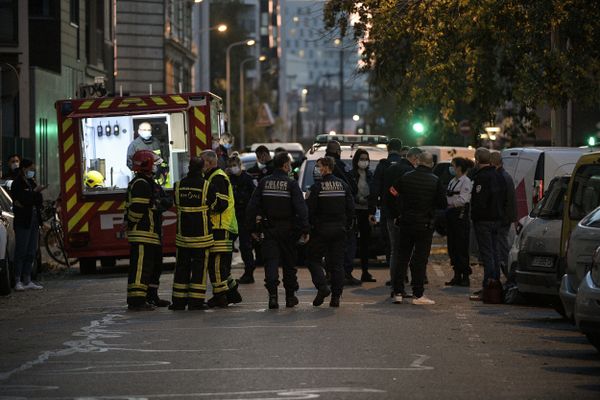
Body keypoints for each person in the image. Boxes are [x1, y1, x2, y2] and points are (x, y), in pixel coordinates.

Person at [246, 152, 310, 309]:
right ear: (285, 165)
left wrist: (251, 228)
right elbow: (301, 209)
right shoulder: (291, 184)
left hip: (269, 230)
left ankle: (273, 297)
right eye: (289, 164)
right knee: (289, 265)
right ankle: (289, 297)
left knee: (271, 263)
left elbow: (252, 206)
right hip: (288, 230)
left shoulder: (264, 182)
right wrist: (305, 229)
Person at [389, 152, 447, 305]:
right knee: (419, 260)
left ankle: (398, 292)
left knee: (402, 258)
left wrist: (398, 211)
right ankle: (418, 294)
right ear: (432, 164)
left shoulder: (406, 177)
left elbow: (392, 192)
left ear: (418, 161)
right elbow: (442, 203)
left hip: (406, 222)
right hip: (424, 225)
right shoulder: (435, 181)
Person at [124, 150, 173, 310]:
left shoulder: (150, 182)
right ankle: (136, 300)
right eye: (154, 164)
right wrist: (131, 222)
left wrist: (158, 203)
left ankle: (152, 296)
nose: (156, 168)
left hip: (153, 233)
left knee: (154, 266)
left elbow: (166, 201)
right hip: (142, 233)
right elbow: (138, 208)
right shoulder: (140, 184)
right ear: (147, 165)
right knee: (140, 268)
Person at [306, 156, 355, 307]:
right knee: (337, 264)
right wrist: (346, 227)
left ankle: (322, 287)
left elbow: (310, 211)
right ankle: (336, 297)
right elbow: (351, 209)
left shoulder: (317, 187)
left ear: (326, 167)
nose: (317, 169)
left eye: (319, 166)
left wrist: (311, 227)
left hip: (321, 231)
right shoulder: (343, 185)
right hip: (339, 230)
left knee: (312, 259)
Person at [170, 157, 216, 310]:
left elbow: (175, 203)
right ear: (202, 169)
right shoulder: (206, 186)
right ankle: (196, 302)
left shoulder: (178, 185)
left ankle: (178, 301)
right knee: (199, 269)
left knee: (181, 267)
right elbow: (217, 204)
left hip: (183, 236)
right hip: (201, 237)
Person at [201, 150, 242, 307]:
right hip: (222, 226)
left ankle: (220, 297)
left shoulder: (217, 178)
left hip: (221, 226)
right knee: (222, 265)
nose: (200, 164)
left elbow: (221, 204)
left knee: (216, 263)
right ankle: (232, 292)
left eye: (202, 161)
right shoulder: (214, 176)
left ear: (210, 162)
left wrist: (204, 206)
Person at [469, 148, 506, 301]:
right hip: (497, 219)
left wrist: (475, 216)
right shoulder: (499, 176)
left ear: (477, 159)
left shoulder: (481, 177)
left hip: (484, 220)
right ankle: (495, 284)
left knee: (487, 254)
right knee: (495, 252)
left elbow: (479, 201)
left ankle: (488, 286)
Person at [383, 146, 422, 291]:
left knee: (395, 250)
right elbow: (403, 196)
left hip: (390, 215)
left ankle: (395, 281)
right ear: (415, 158)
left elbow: (388, 192)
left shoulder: (391, 168)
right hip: (402, 217)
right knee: (403, 252)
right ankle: (400, 283)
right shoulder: (409, 172)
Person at [324, 140, 360, 285]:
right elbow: (351, 188)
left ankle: (329, 273)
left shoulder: (319, 166)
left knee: (328, 247)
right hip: (341, 214)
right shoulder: (339, 166)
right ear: (338, 152)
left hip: (325, 215)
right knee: (346, 246)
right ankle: (344, 274)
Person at [369, 138, 404, 284]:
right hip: (403, 210)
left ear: (388, 149)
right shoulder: (405, 166)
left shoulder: (383, 165)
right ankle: (403, 275)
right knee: (404, 243)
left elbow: (375, 187)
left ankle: (394, 276)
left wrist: (372, 209)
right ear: (401, 149)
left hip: (387, 209)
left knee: (391, 244)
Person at [11, 159, 45, 291]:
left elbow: (38, 199)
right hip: (23, 221)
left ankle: (28, 279)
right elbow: (22, 200)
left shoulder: (31, 182)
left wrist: (34, 194)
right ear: (24, 169)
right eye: (31, 168)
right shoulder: (17, 183)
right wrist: (33, 194)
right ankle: (18, 279)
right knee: (21, 250)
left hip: (34, 220)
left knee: (31, 251)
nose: (33, 171)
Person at [227, 155, 256, 284]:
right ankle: (225, 272)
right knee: (228, 245)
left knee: (245, 246)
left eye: (235, 165)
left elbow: (254, 197)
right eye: (231, 165)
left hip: (245, 216)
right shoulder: (229, 179)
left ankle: (249, 273)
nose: (233, 168)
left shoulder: (248, 179)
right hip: (232, 216)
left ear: (239, 165)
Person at [444, 157, 473, 287]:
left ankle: (465, 276)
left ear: (459, 168)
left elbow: (464, 199)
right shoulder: (452, 181)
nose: (451, 168)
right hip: (451, 216)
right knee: (453, 247)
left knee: (461, 247)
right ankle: (456, 274)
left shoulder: (465, 182)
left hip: (460, 216)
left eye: (453, 165)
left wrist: (452, 205)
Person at [490, 151, 517, 282]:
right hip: (506, 217)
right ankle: (508, 275)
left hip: (502, 218)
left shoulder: (501, 177)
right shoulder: (505, 176)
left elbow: (503, 200)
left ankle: (509, 275)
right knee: (502, 245)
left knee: (502, 246)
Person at [350, 149, 376, 282]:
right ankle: (348, 272)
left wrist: (371, 209)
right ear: (356, 160)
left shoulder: (370, 175)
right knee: (351, 242)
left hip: (366, 212)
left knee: (366, 243)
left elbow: (374, 192)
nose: (364, 161)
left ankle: (365, 272)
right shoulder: (351, 175)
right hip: (355, 212)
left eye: (366, 159)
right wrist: (357, 199)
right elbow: (349, 193)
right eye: (361, 158)